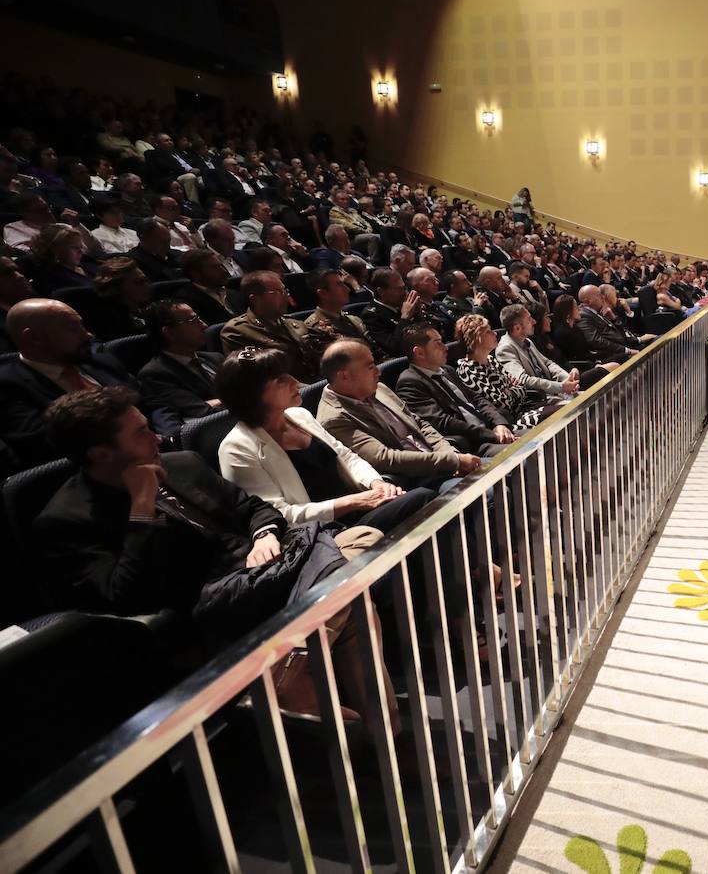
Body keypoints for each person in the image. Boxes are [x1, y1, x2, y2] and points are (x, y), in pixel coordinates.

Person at [36, 387, 393, 725]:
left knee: (363, 540)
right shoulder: (66, 519)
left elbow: (254, 507)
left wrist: (263, 535)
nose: (157, 438)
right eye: (141, 433)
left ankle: (289, 668)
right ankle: (380, 735)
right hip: (212, 602)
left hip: (267, 568)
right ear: (101, 453)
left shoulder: (182, 464)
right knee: (350, 593)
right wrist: (141, 508)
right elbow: (124, 596)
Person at [216, 348, 435, 532]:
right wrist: (353, 502)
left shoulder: (299, 415)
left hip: (358, 506)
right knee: (424, 498)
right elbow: (277, 514)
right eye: (281, 380)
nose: (295, 382)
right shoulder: (236, 448)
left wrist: (376, 483)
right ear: (253, 394)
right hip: (324, 531)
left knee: (426, 487)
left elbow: (346, 456)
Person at [314, 339, 480, 489]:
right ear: (344, 375)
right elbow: (384, 458)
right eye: (370, 366)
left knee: (503, 468)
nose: (378, 372)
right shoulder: (334, 418)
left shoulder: (380, 389)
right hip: (417, 481)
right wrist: (452, 462)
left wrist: (452, 455)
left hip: (442, 463)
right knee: (489, 491)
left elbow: (420, 424)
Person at [0, 299, 148, 466]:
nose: (87, 335)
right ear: (34, 338)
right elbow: (44, 446)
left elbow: (149, 401)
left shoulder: (102, 362)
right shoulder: (7, 387)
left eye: (81, 325)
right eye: (72, 328)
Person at [396, 324, 516, 456]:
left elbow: (476, 398)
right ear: (419, 352)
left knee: (539, 440)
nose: (445, 347)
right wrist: (491, 435)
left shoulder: (447, 370)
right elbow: (443, 423)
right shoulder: (409, 383)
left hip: (493, 431)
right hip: (473, 445)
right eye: (438, 344)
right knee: (527, 455)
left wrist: (499, 424)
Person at [451, 314, 561, 432]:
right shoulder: (468, 370)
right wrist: (511, 390)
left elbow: (520, 387)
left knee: (566, 407)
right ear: (475, 338)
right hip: (510, 422)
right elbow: (503, 403)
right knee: (561, 413)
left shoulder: (491, 360)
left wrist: (510, 391)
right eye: (488, 332)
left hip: (526, 407)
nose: (495, 333)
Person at [219, 271, 326, 383]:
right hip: (284, 393)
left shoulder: (295, 323)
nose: (286, 296)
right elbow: (256, 378)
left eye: (285, 290)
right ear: (255, 298)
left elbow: (318, 356)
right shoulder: (237, 331)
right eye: (278, 292)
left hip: (316, 385)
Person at [137, 300, 223, 434]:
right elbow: (202, 411)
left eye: (198, 318)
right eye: (192, 320)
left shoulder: (215, 358)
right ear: (170, 332)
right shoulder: (155, 374)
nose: (204, 325)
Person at [495, 303, 580, 401]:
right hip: (540, 400)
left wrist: (567, 378)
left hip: (555, 393)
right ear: (517, 328)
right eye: (529, 319)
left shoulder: (527, 340)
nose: (534, 322)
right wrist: (561, 386)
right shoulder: (505, 349)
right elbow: (523, 380)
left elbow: (547, 363)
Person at [304, 268, 386, 360]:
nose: (347, 289)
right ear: (323, 293)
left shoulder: (354, 319)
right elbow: (338, 365)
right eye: (340, 285)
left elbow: (377, 353)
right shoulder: (314, 329)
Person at [84, 258, 152, 341]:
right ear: (116, 289)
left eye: (146, 280)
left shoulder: (147, 309)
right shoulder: (110, 324)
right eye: (139, 282)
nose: (147, 286)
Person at [174, 249, 244, 326]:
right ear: (195, 274)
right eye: (214, 268)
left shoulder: (234, 293)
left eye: (221, 265)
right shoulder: (187, 303)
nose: (224, 271)